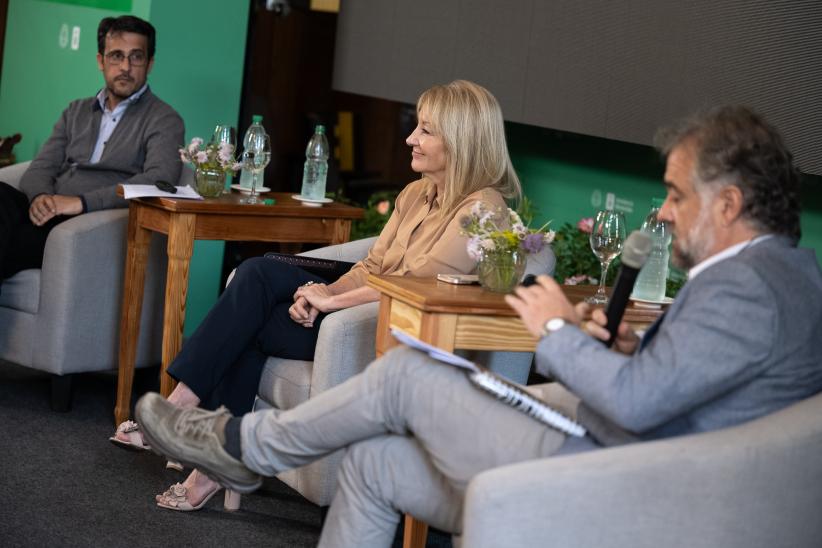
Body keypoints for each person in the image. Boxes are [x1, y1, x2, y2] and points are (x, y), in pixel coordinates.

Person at [135, 104, 822, 543]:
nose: (665, 212)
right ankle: (244, 447)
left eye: (676, 195)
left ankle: (244, 446)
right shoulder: (782, 276)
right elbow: (690, 379)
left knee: (407, 374)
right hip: (615, 439)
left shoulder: (750, 288)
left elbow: (640, 402)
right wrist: (627, 343)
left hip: (618, 471)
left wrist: (553, 330)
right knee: (374, 464)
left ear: (728, 203)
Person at [111, 80, 522, 510]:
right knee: (256, 279)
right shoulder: (416, 193)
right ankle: (209, 454)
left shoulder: (483, 210)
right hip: (360, 303)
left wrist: (331, 302)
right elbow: (373, 267)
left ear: (461, 141)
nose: (410, 138)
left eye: (425, 131)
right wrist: (323, 291)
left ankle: (183, 422)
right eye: (416, 128)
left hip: (394, 329)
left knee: (254, 296)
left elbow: (417, 291)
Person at [0, 15, 184, 283]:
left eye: (136, 57)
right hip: (49, 207)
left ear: (150, 63)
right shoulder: (76, 111)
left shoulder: (164, 119)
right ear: (101, 61)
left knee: (10, 242)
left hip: (87, 221)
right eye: (116, 56)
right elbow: (42, 166)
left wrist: (81, 203)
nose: (125, 67)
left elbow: (159, 180)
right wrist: (40, 197)